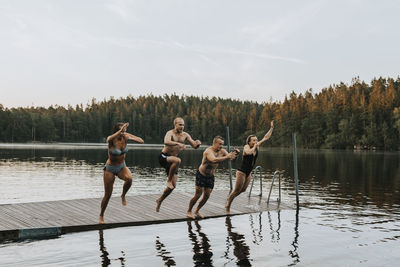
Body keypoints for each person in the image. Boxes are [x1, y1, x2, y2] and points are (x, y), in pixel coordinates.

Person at [225, 121, 274, 214]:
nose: (256, 141)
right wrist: (255, 147)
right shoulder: (246, 147)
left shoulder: (256, 146)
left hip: (249, 173)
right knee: (236, 190)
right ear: (249, 142)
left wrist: (271, 128)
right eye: (253, 140)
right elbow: (249, 153)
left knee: (243, 190)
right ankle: (228, 206)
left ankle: (230, 197)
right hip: (241, 172)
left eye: (256, 140)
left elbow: (266, 137)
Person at [99, 122, 144, 224]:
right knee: (107, 195)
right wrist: (120, 131)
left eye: (124, 130)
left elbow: (141, 141)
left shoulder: (125, 137)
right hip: (110, 168)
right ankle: (101, 215)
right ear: (117, 131)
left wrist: (130, 136)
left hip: (121, 166)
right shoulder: (111, 141)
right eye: (121, 130)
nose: (123, 133)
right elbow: (108, 138)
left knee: (129, 179)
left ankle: (123, 195)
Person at [187, 136, 239, 219]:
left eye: (222, 144)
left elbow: (231, 159)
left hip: (210, 176)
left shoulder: (222, 151)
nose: (221, 146)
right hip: (201, 175)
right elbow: (213, 160)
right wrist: (227, 157)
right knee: (198, 195)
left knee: (207, 196)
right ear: (214, 143)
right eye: (219, 144)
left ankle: (197, 210)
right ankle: (189, 211)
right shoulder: (208, 151)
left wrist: (235, 154)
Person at [156, 117, 201, 212]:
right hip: (164, 157)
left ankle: (160, 200)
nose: (182, 127)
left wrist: (197, 144)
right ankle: (168, 180)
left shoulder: (185, 135)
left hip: (172, 161)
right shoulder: (170, 133)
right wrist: (178, 144)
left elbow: (194, 145)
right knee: (178, 160)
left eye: (183, 125)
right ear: (175, 125)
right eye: (180, 124)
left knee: (173, 186)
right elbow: (166, 141)